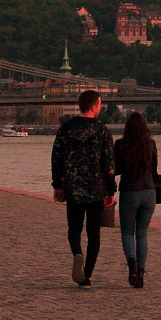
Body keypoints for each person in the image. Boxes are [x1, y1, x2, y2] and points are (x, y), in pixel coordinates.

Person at [51, 90, 115, 289]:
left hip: (72, 188)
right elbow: (109, 164)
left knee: (74, 229)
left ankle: (77, 253)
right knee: (94, 233)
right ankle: (86, 276)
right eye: (100, 105)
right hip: (96, 189)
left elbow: (56, 158)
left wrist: (57, 185)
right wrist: (111, 190)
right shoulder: (102, 130)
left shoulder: (66, 128)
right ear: (94, 107)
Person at [114, 112, 159, 288]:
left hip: (129, 191)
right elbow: (154, 169)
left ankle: (131, 265)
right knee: (142, 233)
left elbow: (115, 169)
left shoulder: (120, 145)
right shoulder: (151, 144)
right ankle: (140, 273)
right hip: (149, 192)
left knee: (127, 232)